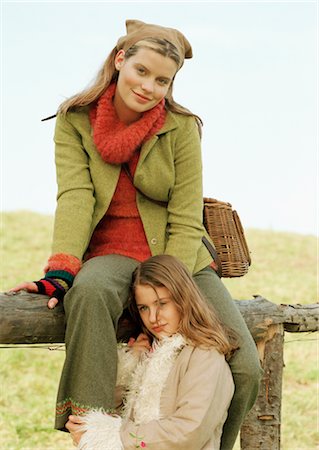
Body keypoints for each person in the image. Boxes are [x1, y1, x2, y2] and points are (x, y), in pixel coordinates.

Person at [10, 19, 262, 449]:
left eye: (162, 80)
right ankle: (93, 434)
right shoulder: (75, 120)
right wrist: (62, 270)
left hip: (180, 257)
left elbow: (186, 215)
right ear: (120, 60)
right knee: (88, 293)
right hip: (113, 251)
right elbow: (75, 196)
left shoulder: (182, 128)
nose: (148, 86)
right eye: (141, 71)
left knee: (245, 366)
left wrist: (172, 289)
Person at [65, 254, 238, 450]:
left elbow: (189, 432)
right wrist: (132, 362)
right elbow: (117, 411)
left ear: (185, 299)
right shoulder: (151, 353)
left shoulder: (205, 356)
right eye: (143, 308)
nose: (153, 317)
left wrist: (118, 436)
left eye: (162, 304)